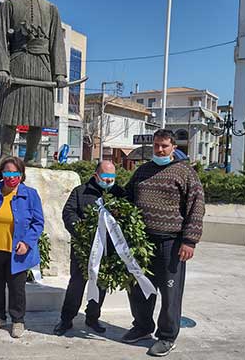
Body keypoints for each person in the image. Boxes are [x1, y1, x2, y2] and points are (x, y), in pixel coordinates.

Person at [121, 129, 205, 357]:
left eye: (164, 146)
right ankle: (142, 326)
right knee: (139, 287)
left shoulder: (185, 173)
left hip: (172, 243)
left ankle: (167, 337)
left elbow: (196, 207)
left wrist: (190, 241)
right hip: (142, 241)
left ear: (173, 148)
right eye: (156, 145)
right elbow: (128, 196)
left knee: (170, 293)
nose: (159, 150)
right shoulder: (142, 171)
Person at [0, 0, 67, 166]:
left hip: (43, 66)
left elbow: (57, 43)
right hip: (17, 62)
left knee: (38, 115)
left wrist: (59, 73)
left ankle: (31, 157)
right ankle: (5, 154)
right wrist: (1, 68)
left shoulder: (51, 9)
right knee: (10, 112)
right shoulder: (9, 5)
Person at [0, 157, 44, 338]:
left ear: (21, 174)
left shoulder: (30, 195)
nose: (11, 177)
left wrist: (27, 242)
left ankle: (18, 320)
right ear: (1, 173)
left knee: (16, 288)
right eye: (7, 172)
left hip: (18, 251)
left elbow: (38, 223)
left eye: (15, 173)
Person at [53, 161, 127, 336]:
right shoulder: (80, 191)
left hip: (107, 250)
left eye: (112, 177)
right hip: (83, 249)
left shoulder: (119, 193)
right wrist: (81, 231)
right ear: (96, 175)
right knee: (76, 285)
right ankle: (66, 319)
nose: (108, 180)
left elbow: (127, 215)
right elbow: (68, 213)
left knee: (100, 285)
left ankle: (93, 318)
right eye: (105, 177)